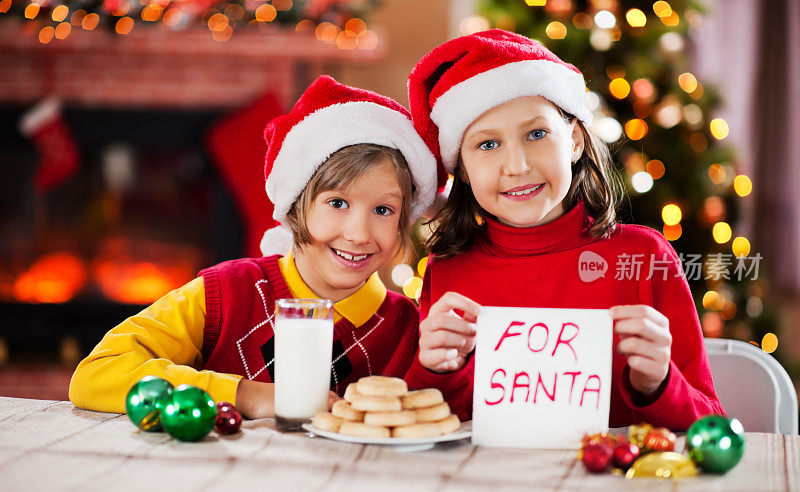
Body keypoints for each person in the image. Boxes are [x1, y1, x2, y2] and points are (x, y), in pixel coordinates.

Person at [403, 30, 725, 430]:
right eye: (488, 145)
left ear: (572, 141)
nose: (517, 165)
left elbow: (711, 422)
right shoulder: (448, 270)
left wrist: (657, 386)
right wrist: (432, 371)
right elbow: (420, 428)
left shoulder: (644, 257)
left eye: (536, 134)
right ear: (462, 170)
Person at [69, 75, 437, 419]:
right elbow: (96, 375)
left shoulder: (409, 330)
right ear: (295, 207)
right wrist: (246, 395)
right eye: (337, 203)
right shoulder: (226, 294)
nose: (359, 234)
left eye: (383, 210)